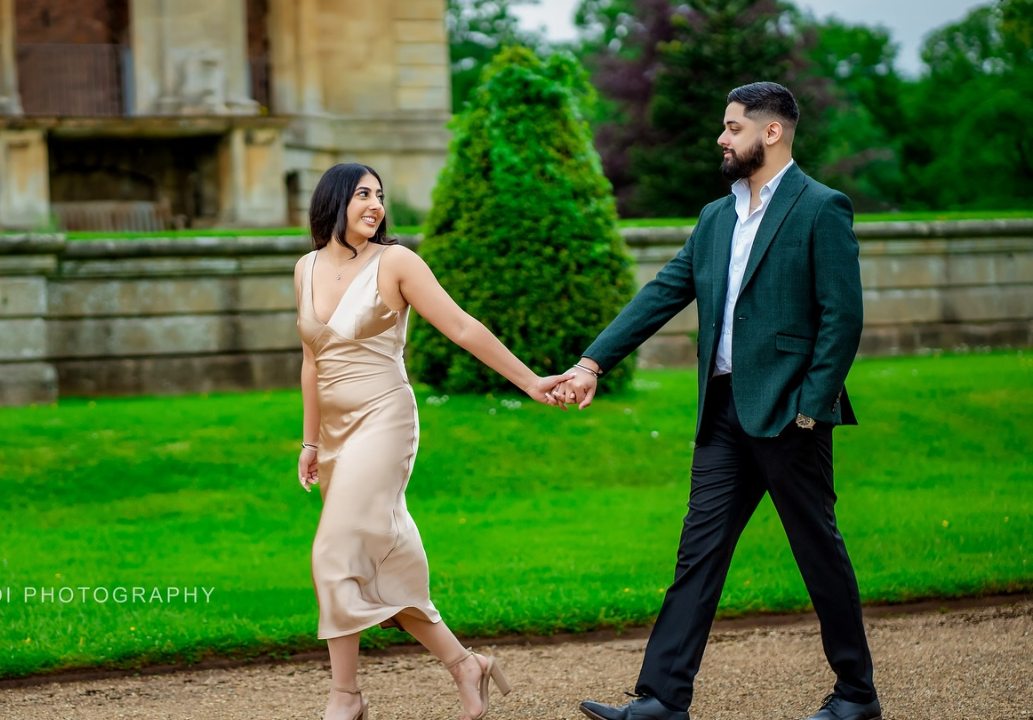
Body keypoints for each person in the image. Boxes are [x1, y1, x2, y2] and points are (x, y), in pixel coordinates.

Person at [554, 82, 881, 720]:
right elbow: (662, 292)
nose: (722, 138)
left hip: (791, 415)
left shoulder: (821, 208)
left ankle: (856, 695)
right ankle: (661, 698)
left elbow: (842, 318)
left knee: (818, 554)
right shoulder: (715, 217)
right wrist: (593, 361)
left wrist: (811, 407)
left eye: (733, 128)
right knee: (697, 555)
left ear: (772, 132)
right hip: (723, 414)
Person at [295, 162, 568, 720]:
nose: (375, 204)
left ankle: (345, 697)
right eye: (363, 194)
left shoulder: (395, 262)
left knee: (333, 553)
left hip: (384, 418)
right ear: (333, 200)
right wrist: (309, 441)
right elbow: (310, 359)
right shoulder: (305, 268)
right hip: (336, 433)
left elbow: (464, 327)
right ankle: (466, 664)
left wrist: (532, 382)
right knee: (379, 562)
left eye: (380, 196)